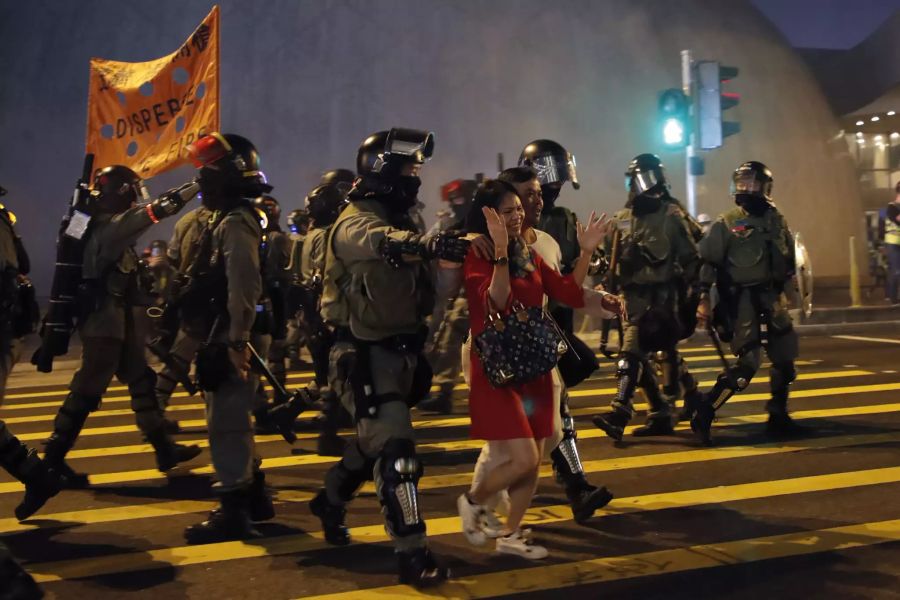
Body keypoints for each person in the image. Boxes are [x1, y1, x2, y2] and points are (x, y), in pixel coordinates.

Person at [311, 128, 468, 586]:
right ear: (384, 169)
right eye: (408, 168)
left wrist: (450, 255)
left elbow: (433, 290)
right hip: (360, 355)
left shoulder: (408, 219)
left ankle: (330, 499)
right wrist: (427, 244)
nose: (415, 176)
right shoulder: (355, 220)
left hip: (401, 353)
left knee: (370, 442)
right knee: (397, 452)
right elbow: (379, 241)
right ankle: (412, 553)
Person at [457, 179, 609, 559]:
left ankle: (510, 535)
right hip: (500, 368)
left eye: (517, 209)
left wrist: (587, 252)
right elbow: (497, 298)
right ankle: (472, 501)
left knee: (536, 457)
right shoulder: (478, 252)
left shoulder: (528, 250)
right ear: (489, 215)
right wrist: (502, 252)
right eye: (508, 211)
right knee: (521, 457)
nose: (518, 215)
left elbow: (567, 291)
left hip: (536, 362)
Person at [42, 166, 202, 487]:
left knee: (140, 379)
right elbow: (156, 211)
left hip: (117, 317)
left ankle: (163, 449)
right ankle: (52, 461)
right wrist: (196, 186)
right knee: (88, 387)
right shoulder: (112, 228)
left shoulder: (93, 226)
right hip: (104, 320)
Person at [180, 133, 279, 543]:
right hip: (228, 330)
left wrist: (238, 342)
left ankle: (234, 509)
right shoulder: (230, 217)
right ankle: (254, 496)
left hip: (233, 333)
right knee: (234, 416)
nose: (200, 181)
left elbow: (243, 286)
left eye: (205, 172)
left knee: (227, 421)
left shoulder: (237, 222)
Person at [691, 161, 804, 445]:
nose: (747, 188)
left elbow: (790, 260)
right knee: (747, 367)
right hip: (742, 302)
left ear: (765, 188)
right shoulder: (727, 223)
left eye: (753, 183)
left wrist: (794, 291)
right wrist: (703, 299)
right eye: (742, 182)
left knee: (786, 361)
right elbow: (708, 263)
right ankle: (705, 410)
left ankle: (778, 415)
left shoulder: (777, 220)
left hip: (772, 298)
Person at [591, 155, 700, 442]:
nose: (638, 187)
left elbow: (691, 259)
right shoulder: (621, 220)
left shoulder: (671, 216)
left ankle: (620, 412)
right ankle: (672, 407)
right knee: (642, 355)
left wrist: (696, 298)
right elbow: (604, 262)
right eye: (633, 180)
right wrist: (601, 278)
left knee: (634, 355)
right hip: (630, 300)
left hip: (662, 299)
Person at [417, 178, 478, 414]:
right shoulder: (449, 223)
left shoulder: (486, 221)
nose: (456, 203)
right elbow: (429, 245)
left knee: (450, 339)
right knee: (443, 340)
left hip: (478, 290)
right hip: (455, 291)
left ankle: (444, 392)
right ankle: (441, 390)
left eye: (459, 198)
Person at [884, 181, 900, 305]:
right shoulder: (892, 207)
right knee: (896, 270)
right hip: (893, 243)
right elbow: (897, 220)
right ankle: (892, 297)